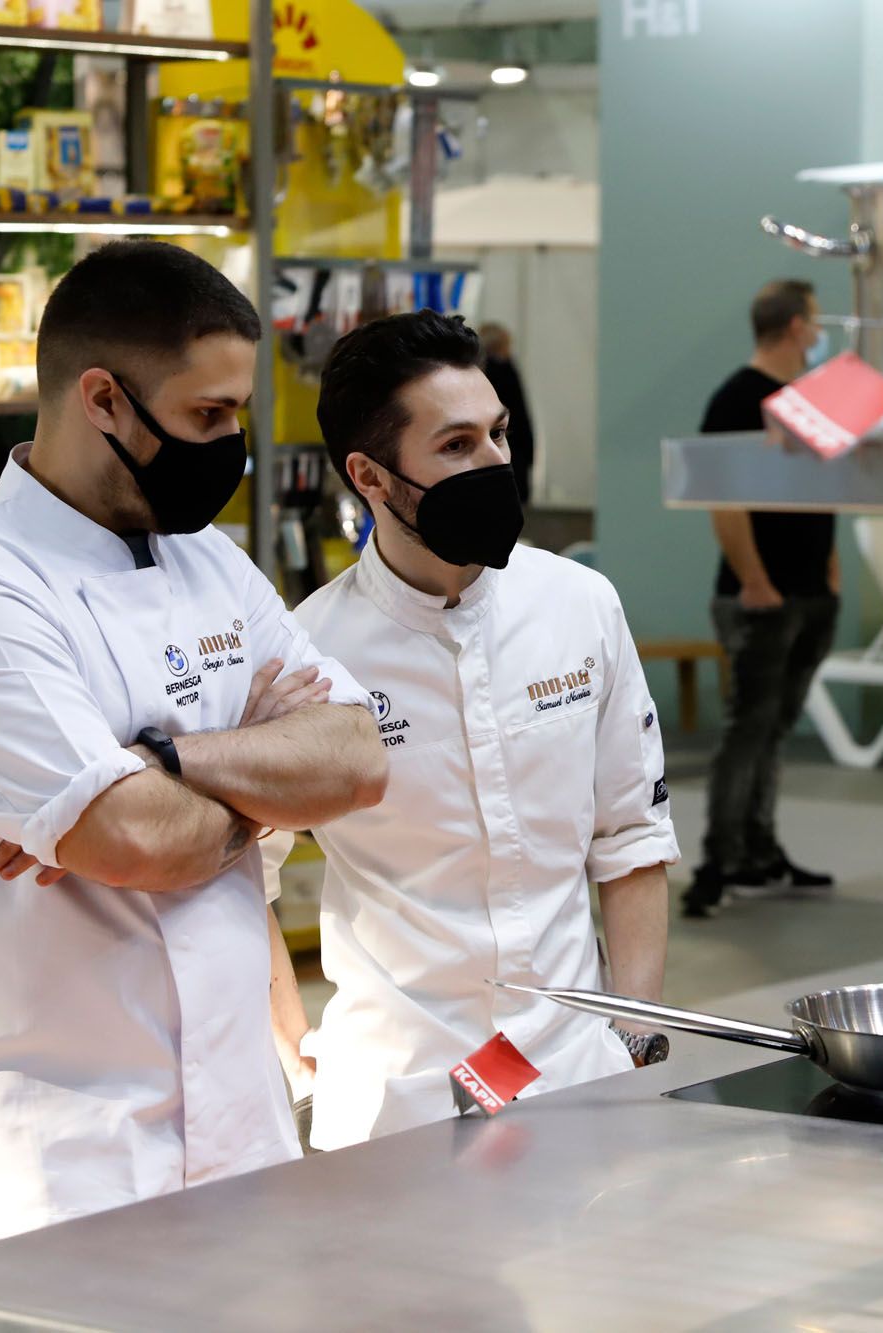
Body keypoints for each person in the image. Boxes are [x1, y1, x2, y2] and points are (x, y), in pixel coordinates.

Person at [0, 241, 388, 1250]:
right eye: (207, 416)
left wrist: (164, 761)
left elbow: (358, 757)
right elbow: (142, 843)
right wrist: (247, 782)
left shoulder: (212, 561)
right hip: (54, 1165)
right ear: (104, 399)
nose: (230, 442)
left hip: (239, 1136)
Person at [274, 311, 675, 1149]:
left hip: (578, 1076)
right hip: (396, 1099)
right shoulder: (310, 653)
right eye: (456, 446)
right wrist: (298, 1058)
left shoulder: (580, 605)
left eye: (498, 433)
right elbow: (245, 880)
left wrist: (630, 1037)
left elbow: (632, 837)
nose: (495, 461)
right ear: (370, 476)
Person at [681, 279, 838, 919]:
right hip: (760, 595)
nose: (820, 330)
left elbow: (820, 489)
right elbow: (725, 499)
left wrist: (827, 567)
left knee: (774, 732)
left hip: (808, 589)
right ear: (797, 326)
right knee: (748, 731)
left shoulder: (808, 399)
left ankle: (759, 850)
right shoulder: (738, 399)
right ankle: (717, 862)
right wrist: (754, 578)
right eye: (817, 319)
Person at [479, 322, 536, 506]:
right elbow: (521, 414)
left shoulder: (479, 373)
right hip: (513, 449)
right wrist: (530, 452)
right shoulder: (507, 370)